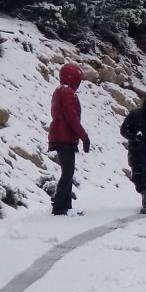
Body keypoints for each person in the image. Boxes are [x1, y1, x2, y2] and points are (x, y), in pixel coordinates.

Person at [48, 63, 91, 216]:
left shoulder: (61, 90)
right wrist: (84, 137)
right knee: (67, 172)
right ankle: (60, 207)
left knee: (68, 171)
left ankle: (66, 204)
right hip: (64, 137)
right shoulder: (67, 92)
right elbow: (71, 117)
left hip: (61, 136)